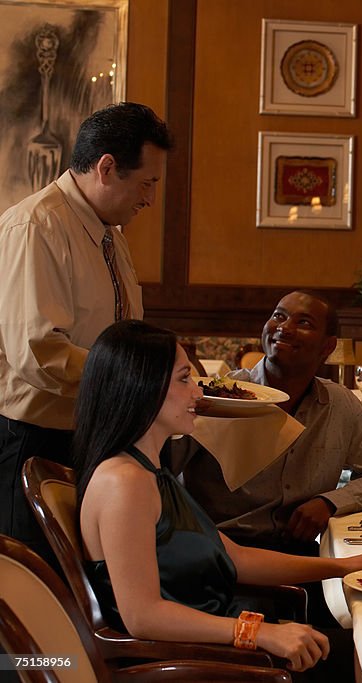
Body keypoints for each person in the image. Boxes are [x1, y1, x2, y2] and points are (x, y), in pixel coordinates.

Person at [76, 320, 362, 673]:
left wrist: (344, 566)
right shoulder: (125, 482)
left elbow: (238, 558)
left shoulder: (150, 472)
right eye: (185, 379)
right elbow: (142, 616)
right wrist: (259, 633)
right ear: (142, 387)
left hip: (217, 641)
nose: (198, 393)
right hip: (197, 663)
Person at [170, 290, 362, 627]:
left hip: (299, 554)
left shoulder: (339, 406)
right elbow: (159, 474)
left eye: (304, 322)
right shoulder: (221, 396)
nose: (285, 327)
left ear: (327, 346)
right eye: (279, 316)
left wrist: (329, 502)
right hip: (222, 557)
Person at [0, 102, 171, 562]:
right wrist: (133, 380)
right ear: (107, 168)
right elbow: (39, 354)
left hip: (92, 433)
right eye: (147, 183)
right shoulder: (37, 225)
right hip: (34, 440)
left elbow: (121, 332)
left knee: (86, 592)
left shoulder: (108, 233)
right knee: (36, 592)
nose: (151, 198)